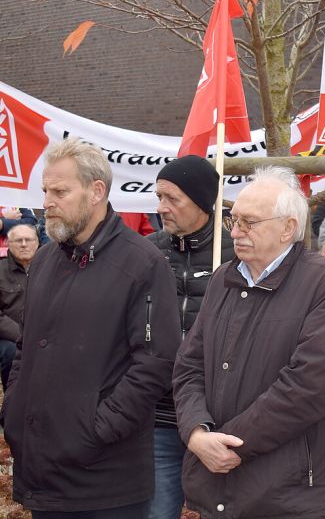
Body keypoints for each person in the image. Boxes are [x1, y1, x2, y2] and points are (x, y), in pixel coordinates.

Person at [1, 137, 181, 517]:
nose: (47, 200)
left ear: (96, 191)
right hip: (44, 471)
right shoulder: (45, 259)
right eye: (46, 190)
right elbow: (26, 347)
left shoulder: (143, 262)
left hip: (107, 481)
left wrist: (94, 431)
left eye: (60, 191)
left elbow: (155, 364)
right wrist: (15, 411)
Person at [171, 166, 325, 519]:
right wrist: (196, 432)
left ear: (288, 228)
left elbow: (310, 386)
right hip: (219, 489)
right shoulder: (223, 278)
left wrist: (229, 443)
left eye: (249, 223)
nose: (236, 231)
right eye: (233, 220)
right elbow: (190, 365)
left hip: (289, 496)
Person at [145, 155, 234, 519]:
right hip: (159, 416)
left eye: (172, 199)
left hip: (219, 417)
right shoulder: (147, 252)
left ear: (201, 202)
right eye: (159, 197)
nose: (161, 207)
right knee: (156, 512)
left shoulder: (237, 252)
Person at [0, 224, 38, 389]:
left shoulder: (53, 268)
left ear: (37, 242)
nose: (24, 244)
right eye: (18, 240)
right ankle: (12, 402)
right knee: (11, 353)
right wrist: (22, 335)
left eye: (28, 239)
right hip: (9, 336)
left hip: (44, 333)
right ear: (8, 243)